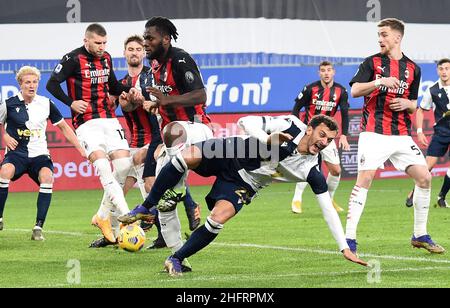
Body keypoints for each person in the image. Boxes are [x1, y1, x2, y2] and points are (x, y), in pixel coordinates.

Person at [118, 114, 367, 276]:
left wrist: (344, 247)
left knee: (219, 217)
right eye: (322, 135)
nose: (324, 142)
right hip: (232, 150)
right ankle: (146, 206)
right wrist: (267, 139)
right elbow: (246, 122)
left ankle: (176, 258)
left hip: (246, 182)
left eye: (329, 140)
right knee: (187, 157)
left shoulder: (312, 170)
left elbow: (327, 209)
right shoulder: (290, 125)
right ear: (310, 129)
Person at [345, 18, 445, 254]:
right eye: (378, 35)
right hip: (373, 133)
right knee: (365, 180)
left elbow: (413, 104)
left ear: (397, 38)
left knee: (425, 177)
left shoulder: (413, 69)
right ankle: (349, 240)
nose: (380, 39)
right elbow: (355, 90)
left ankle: (420, 234)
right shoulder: (372, 62)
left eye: (384, 34)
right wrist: (379, 81)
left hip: (401, 135)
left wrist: (407, 104)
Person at [46, 23, 141, 244]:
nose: (101, 47)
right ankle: (127, 217)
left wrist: (129, 90)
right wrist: (71, 102)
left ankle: (102, 215)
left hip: (109, 118)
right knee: (103, 168)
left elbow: (114, 85)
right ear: (86, 40)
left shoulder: (106, 58)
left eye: (104, 43)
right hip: (86, 123)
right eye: (98, 43)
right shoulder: (71, 59)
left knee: (124, 167)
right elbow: (52, 84)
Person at [138, 16, 213, 256]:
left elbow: (201, 96)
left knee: (172, 131)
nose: (145, 42)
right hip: (175, 140)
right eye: (144, 37)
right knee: (163, 202)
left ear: (166, 39)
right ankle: (178, 256)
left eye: (150, 38)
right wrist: (148, 104)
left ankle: (180, 187)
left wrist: (167, 100)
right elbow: (160, 102)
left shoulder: (180, 58)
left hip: (196, 129)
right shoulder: (153, 70)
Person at [88, 34, 163, 248]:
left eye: (138, 49)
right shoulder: (119, 84)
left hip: (154, 142)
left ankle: (161, 230)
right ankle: (110, 232)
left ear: (144, 53)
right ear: (124, 53)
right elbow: (114, 107)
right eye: (130, 49)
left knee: (150, 188)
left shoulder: (152, 78)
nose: (134, 53)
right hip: (132, 144)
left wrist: (140, 100)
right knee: (116, 188)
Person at [0, 66, 85, 240]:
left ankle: (38, 227)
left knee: (47, 177)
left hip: (39, 155)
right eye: (27, 82)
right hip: (17, 154)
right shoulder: (8, 104)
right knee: (4, 172)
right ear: (20, 84)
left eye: (35, 82)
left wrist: (81, 149)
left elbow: (63, 127)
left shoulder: (46, 103)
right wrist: (5, 136)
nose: (31, 86)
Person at [291, 60, 350, 214]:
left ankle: (329, 200)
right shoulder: (310, 89)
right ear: (319, 73)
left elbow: (344, 114)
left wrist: (343, 135)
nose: (326, 73)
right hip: (310, 134)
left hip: (327, 137)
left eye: (329, 70)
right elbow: (296, 109)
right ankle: (297, 199)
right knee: (305, 166)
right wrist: (298, 129)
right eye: (323, 70)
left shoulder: (341, 91)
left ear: (333, 72)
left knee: (336, 170)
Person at [405, 58, 450, 209]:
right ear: (437, 71)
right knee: (426, 168)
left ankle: (441, 197)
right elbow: (420, 110)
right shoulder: (432, 89)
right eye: (441, 69)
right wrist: (419, 131)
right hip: (441, 133)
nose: (444, 72)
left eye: (447, 69)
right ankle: (413, 192)